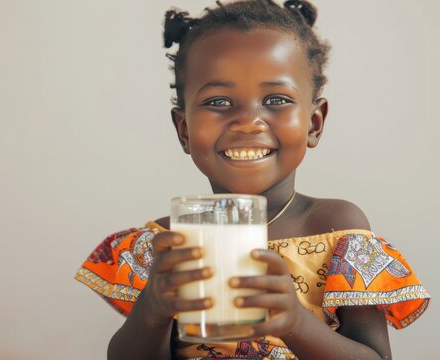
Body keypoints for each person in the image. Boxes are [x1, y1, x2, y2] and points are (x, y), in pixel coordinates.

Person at [74, 1, 430, 359]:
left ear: (314, 122)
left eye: (275, 99)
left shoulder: (338, 228)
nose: (248, 122)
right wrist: (152, 309)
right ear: (184, 130)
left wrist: (295, 324)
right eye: (218, 101)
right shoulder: (169, 244)